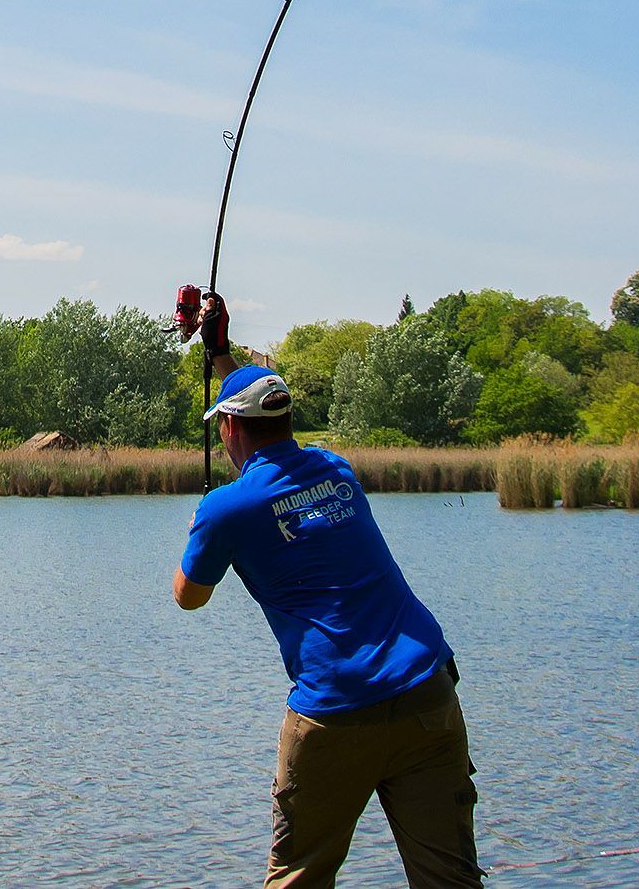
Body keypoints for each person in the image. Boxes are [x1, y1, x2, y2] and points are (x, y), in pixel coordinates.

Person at [172, 294, 481, 889]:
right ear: (286, 421)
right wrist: (219, 353)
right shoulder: (337, 470)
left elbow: (189, 595)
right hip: (428, 693)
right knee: (451, 879)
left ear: (230, 427)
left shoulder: (226, 507)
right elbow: (262, 415)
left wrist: (200, 526)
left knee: (298, 879)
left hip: (336, 710)